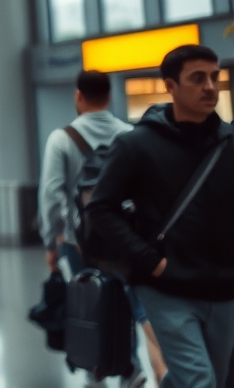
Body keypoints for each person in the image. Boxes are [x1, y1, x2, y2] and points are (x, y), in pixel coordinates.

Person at [87, 45, 234, 388]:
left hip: (225, 288)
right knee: (200, 380)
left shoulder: (229, 144)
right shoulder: (136, 145)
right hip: (166, 286)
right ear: (170, 86)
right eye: (197, 79)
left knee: (212, 377)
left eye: (214, 77)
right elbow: (101, 209)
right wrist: (151, 262)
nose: (210, 87)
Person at [39, 69, 164, 387]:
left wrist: (51, 242)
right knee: (127, 299)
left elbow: (52, 195)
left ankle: (103, 364)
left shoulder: (61, 138)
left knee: (91, 301)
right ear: (109, 97)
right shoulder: (129, 134)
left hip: (78, 240)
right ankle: (129, 365)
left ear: (79, 96)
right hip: (125, 237)